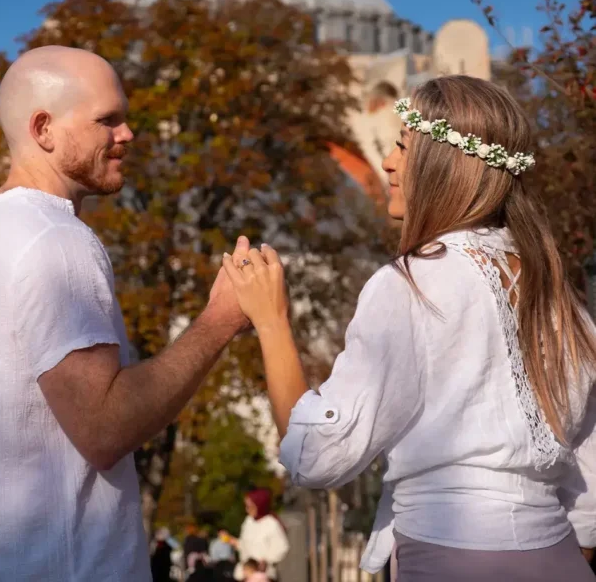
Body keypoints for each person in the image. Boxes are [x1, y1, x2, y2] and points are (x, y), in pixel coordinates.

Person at [222, 76, 596, 581]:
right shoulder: (558, 292)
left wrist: (270, 321)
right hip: (560, 559)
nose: (387, 163)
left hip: (449, 556)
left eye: (402, 146)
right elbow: (587, 475)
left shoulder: (412, 284)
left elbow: (317, 456)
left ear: (441, 165)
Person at [0, 45, 250, 582]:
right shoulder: (54, 239)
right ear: (43, 128)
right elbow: (103, 427)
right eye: (107, 120)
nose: (128, 135)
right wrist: (221, 320)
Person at [237, 490, 289, 580]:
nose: (247, 510)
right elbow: (243, 544)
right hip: (247, 573)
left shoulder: (271, 523)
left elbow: (282, 547)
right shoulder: (248, 522)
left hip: (263, 575)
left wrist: (267, 560)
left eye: (250, 507)